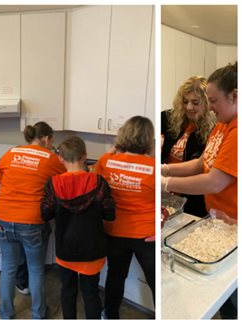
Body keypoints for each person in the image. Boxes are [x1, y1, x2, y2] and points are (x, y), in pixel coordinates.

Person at [161, 62, 237, 319]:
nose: (210, 107)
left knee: (233, 297)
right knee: (222, 297)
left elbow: (215, 181)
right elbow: (202, 163)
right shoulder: (222, 125)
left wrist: (165, 185)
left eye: (212, 100)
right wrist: (166, 170)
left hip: (235, 227)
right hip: (218, 222)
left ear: (235, 96)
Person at [0, 121, 65, 319]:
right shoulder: (51, 159)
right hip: (31, 221)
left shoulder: (10, 153)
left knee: (8, 267)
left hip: (3, 218)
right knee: (35, 269)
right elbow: (65, 183)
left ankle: (6, 313)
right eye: (52, 141)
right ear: (47, 138)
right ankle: (38, 313)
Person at [40, 136, 115, 319]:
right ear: (85, 156)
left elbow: (45, 214)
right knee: (91, 293)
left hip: (66, 250)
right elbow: (110, 214)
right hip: (93, 249)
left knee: (68, 291)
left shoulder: (54, 184)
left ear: (61, 158)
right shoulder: (98, 183)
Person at [95, 116, 155, 319]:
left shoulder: (106, 161)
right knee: (155, 280)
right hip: (146, 234)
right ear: (148, 139)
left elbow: (99, 189)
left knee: (116, 275)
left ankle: (110, 315)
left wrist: (113, 152)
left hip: (116, 230)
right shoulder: (154, 167)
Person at [160, 76, 216, 216]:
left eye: (195, 103)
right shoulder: (167, 119)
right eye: (185, 102)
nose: (189, 107)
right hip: (164, 192)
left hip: (192, 195)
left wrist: (165, 176)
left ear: (207, 103)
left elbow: (199, 166)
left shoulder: (214, 130)